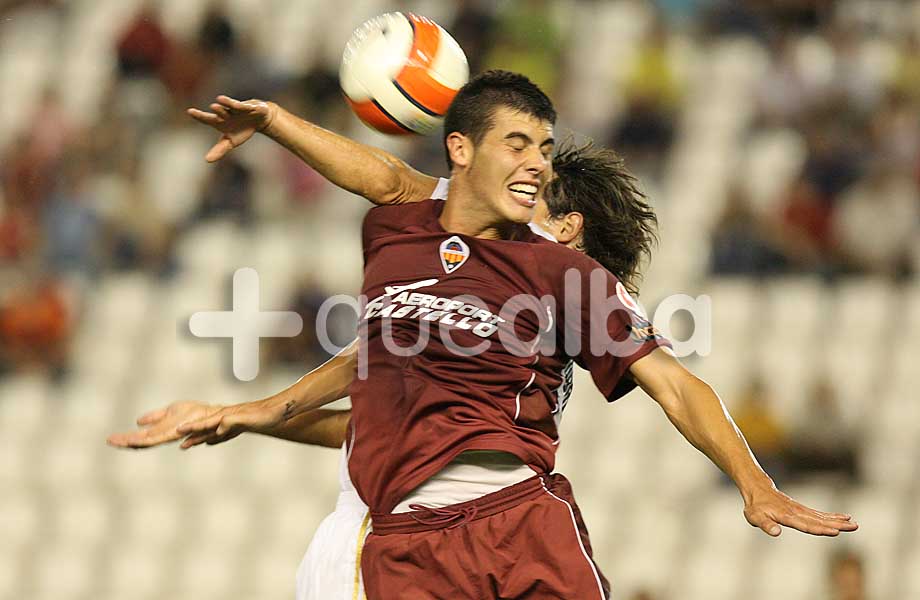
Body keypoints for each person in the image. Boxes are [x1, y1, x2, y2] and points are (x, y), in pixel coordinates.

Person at [112, 71, 857, 599]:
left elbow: (676, 384)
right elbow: (384, 183)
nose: (536, 164)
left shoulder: (560, 273)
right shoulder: (401, 237)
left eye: (545, 151)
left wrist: (753, 483)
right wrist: (275, 122)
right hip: (402, 539)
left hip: (517, 517)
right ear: (462, 151)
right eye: (521, 145)